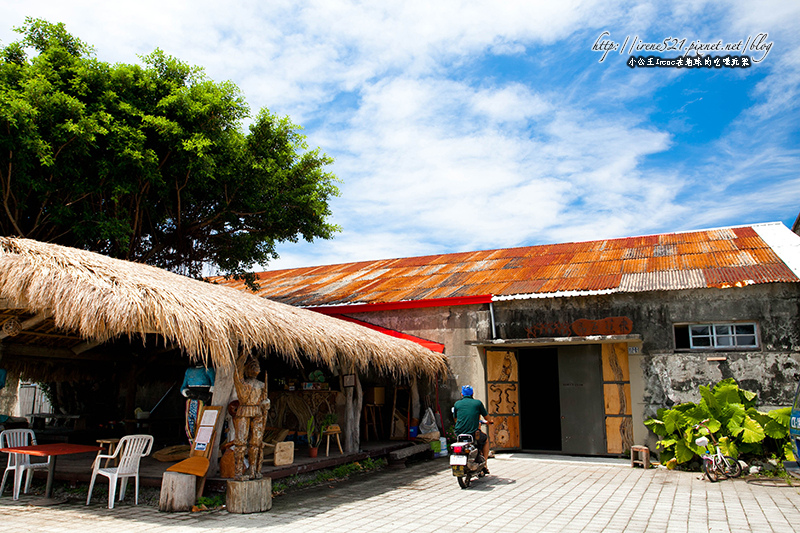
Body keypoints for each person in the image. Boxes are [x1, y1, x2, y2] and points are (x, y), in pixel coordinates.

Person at [453, 385, 493, 473]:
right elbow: (487, 418)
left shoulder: (457, 404)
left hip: (459, 433)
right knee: (485, 439)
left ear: (462, 394)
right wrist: (490, 421)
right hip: (472, 433)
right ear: (472, 394)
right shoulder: (477, 403)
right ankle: (485, 464)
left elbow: (455, 419)